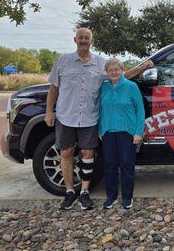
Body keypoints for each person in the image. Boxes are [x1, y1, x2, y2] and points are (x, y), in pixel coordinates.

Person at [45, 28, 152, 210]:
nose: (84, 40)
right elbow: (54, 88)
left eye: (87, 38)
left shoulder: (100, 64)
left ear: (92, 41)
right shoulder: (63, 61)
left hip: (89, 118)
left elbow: (121, 75)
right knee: (66, 153)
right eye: (81, 37)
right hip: (66, 115)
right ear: (75, 39)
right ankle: (70, 192)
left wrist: (143, 67)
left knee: (88, 154)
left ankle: (85, 192)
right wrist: (49, 111)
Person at [99, 58, 145, 210]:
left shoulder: (131, 86)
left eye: (116, 69)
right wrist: (100, 129)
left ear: (122, 70)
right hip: (108, 132)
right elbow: (100, 110)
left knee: (126, 165)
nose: (113, 72)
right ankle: (111, 197)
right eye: (110, 70)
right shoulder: (104, 87)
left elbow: (140, 111)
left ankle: (127, 197)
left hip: (127, 131)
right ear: (107, 72)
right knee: (109, 165)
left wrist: (138, 132)